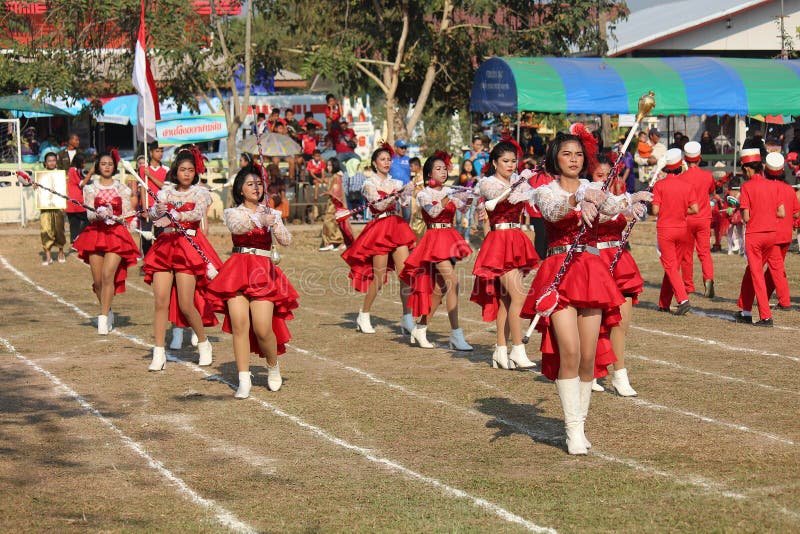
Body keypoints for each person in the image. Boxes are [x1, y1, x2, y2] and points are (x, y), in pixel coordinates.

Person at [521, 129, 640, 455]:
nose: (573, 160)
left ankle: (580, 424)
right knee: (570, 350)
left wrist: (631, 201)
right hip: (559, 271)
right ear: (555, 159)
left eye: (577, 154)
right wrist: (577, 200)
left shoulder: (595, 187)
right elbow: (553, 212)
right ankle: (572, 431)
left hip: (591, 271)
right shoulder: (545, 191)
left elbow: (614, 205)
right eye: (566, 154)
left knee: (589, 356)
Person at [207, 166, 298, 398]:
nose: (255, 187)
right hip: (238, 268)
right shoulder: (233, 212)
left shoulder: (270, 213)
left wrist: (274, 222)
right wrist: (259, 219)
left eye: (259, 183)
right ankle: (243, 379)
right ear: (240, 189)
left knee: (262, 328)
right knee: (239, 325)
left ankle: (272, 365)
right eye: (250, 183)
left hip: (262, 271)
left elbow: (286, 240)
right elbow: (237, 227)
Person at [142, 147, 222, 370]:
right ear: (175, 171)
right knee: (160, 302)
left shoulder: (200, 193)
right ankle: (158, 353)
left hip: (187, 246)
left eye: (190, 170)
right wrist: (156, 210)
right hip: (165, 247)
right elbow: (154, 214)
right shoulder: (166, 192)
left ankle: (203, 343)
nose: (186, 173)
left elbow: (197, 213)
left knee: (186, 304)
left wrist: (177, 215)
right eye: (182, 169)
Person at [470, 141, 540, 370]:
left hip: (516, 239)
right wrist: (519, 183)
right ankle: (517, 349)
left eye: (513, 161)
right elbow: (498, 198)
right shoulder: (488, 183)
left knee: (507, 300)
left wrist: (528, 184)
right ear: (494, 163)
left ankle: (501, 350)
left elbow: (533, 199)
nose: (511, 165)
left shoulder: (518, 183)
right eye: (505, 161)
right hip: (499, 241)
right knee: (518, 295)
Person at [399, 152, 473, 351]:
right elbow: (433, 212)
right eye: (438, 169)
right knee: (453, 282)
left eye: (444, 168)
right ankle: (456, 333)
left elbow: (464, 209)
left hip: (449, 239)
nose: (443, 171)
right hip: (434, 240)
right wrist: (448, 196)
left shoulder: (449, 191)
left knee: (439, 290)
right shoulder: (424, 193)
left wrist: (470, 196)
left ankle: (421, 328)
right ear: (429, 173)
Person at [342, 143, 416, 335]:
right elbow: (380, 205)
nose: (386, 162)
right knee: (380, 278)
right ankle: (364, 314)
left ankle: (407, 318)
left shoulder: (397, 183)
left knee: (405, 274)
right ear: (374, 163)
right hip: (380, 229)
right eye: (382, 159)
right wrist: (395, 195)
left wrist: (407, 192)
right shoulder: (369, 184)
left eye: (388, 159)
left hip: (397, 227)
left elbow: (405, 203)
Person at [589, 155, 646, 396]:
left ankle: (620, 374)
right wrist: (625, 205)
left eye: (607, 175)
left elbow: (618, 211)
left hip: (619, 260)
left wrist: (633, 211)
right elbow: (601, 215)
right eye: (599, 175)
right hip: (595, 260)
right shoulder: (586, 195)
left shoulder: (617, 197)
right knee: (594, 324)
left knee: (621, 322)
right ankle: (590, 370)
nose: (604, 180)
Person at [72, 151, 140, 334]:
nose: (107, 166)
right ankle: (107, 309)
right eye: (103, 164)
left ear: (114, 166)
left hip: (117, 235)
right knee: (98, 280)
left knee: (108, 274)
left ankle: (102, 318)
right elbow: (89, 214)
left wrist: (119, 218)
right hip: (96, 234)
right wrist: (98, 214)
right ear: (97, 167)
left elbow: (127, 213)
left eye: (110, 163)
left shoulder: (123, 189)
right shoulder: (90, 189)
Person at [739, 152, 798, 311]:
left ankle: (783, 301)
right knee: (774, 270)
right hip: (785, 234)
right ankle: (768, 298)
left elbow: (747, 215)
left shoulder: (759, 186)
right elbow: (795, 213)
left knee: (772, 269)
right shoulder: (789, 190)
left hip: (768, 232)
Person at [735, 149, 787, 327]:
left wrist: (740, 209)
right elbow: (781, 212)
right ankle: (746, 311)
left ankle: (765, 316)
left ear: (748, 169)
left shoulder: (747, 187)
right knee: (751, 273)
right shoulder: (774, 186)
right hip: (772, 235)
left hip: (755, 236)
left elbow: (747, 217)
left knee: (756, 275)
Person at [652, 148, 699, 314]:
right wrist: (681, 211)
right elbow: (695, 208)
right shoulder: (687, 185)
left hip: (666, 229)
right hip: (682, 228)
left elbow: (655, 211)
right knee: (673, 266)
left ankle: (683, 299)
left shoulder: (659, 185)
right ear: (680, 166)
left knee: (670, 266)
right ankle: (663, 303)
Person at [680, 141, 716, 298]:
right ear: (699, 158)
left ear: (685, 159)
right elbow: (712, 190)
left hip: (687, 218)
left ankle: (688, 286)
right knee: (704, 252)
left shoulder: (681, 178)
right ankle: (708, 279)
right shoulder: (707, 176)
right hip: (704, 218)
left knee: (686, 254)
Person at [137, 143, 169, 262]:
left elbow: (164, 186)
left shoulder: (166, 169)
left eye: (161, 151)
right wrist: (145, 209)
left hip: (160, 207)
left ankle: (157, 261)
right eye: (157, 151)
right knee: (146, 236)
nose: (160, 153)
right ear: (150, 152)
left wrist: (150, 176)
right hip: (148, 207)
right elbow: (143, 188)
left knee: (160, 236)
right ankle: (147, 261)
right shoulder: (143, 169)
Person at [38, 152, 67, 265]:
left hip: (58, 206)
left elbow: (64, 190)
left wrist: (64, 204)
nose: (51, 162)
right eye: (49, 160)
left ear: (56, 161)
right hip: (45, 207)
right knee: (45, 230)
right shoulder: (40, 175)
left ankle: (61, 252)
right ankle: (48, 256)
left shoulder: (60, 174)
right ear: (45, 163)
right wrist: (36, 187)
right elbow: (38, 192)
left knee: (59, 230)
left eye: (53, 160)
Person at [318, 157, 347, 251]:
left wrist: (328, 193)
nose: (328, 167)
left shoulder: (336, 177)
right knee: (329, 222)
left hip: (335, 204)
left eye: (330, 165)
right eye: (328, 165)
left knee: (329, 221)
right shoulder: (333, 177)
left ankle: (340, 241)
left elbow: (337, 191)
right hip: (331, 203)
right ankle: (329, 242)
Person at [65, 154, 90, 246]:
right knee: (88, 219)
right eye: (83, 162)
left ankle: (75, 241)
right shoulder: (73, 170)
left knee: (74, 223)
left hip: (71, 201)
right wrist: (90, 174)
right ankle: (79, 236)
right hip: (76, 201)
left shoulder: (74, 170)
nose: (85, 164)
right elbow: (81, 184)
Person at [456, 159, 478, 241]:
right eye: (466, 165)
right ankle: (458, 234)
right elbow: (461, 182)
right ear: (463, 167)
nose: (468, 167)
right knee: (458, 219)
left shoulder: (475, 177)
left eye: (470, 165)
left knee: (467, 217)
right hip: (459, 199)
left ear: (472, 167)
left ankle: (466, 237)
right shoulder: (462, 176)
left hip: (469, 200)